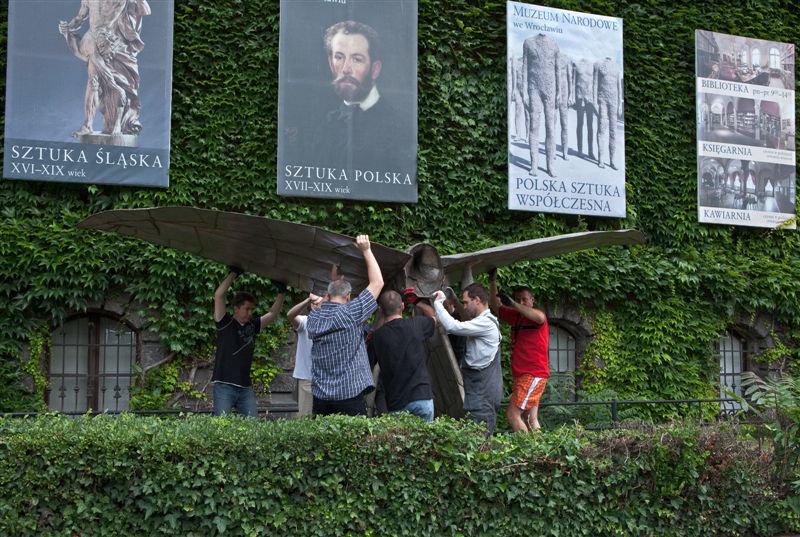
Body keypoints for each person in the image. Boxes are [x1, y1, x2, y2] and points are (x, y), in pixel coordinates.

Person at [312, 20, 414, 173]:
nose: (346, 69)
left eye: (357, 59)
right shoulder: (324, 124)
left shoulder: (398, 129)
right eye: (339, 57)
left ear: (375, 69)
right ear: (330, 64)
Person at [307, 234, 384, 416]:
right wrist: (366, 250)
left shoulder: (314, 318)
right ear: (348, 297)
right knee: (355, 444)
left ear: (328, 294)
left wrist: (333, 283)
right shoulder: (350, 313)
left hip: (321, 398)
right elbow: (377, 282)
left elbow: (326, 301)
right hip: (349, 397)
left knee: (323, 444)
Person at [58, 0, 150, 141]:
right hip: (93, 40)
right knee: (93, 82)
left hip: (114, 42)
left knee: (120, 85)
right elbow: (79, 18)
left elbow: (139, 12)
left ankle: (117, 124)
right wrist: (67, 27)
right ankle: (88, 124)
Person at [212, 267, 286, 417]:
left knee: (253, 427)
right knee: (220, 427)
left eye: (252, 309)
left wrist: (281, 293)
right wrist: (233, 274)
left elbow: (272, 314)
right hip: (224, 386)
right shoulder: (224, 322)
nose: (250, 313)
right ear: (236, 308)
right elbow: (219, 296)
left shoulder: (253, 326)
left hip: (245, 388)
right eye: (247, 309)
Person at [432, 283, 503, 434]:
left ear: (477, 300)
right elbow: (463, 321)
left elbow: (454, 327)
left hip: (483, 398)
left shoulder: (486, 324)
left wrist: (438, 302)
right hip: (479, 395)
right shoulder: (484, 321)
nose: (463, 307)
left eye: (465, 302)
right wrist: (452, 303)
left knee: (480, 445)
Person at [488, 271, 549, 432]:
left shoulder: (537, 316)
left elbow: (540, 318)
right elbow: (496, 307)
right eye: (518, 299)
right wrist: (492, 280)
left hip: (532, 374)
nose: (521, 302)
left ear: (532, 300)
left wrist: (514, 304)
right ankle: (542, 452)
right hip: (524, 374)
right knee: (531, 418)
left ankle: (527, 452)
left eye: (525, 299)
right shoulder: (516, 317)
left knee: (512, 414)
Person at [370, 290, 436, 422]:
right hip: (421, 397)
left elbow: (369, 363)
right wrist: (417, 302)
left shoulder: (377, 337)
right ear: (402, 306)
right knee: (426, 441)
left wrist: (378, 319)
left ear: (381, 311)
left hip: (397, 402)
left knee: (401, 441)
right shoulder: (416, 324)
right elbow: (435, 318)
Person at [287, 292, 324, 417]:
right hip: (307, 378)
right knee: (304, 417)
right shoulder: (304, 321)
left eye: (318, 301)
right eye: (313, 303)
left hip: (326, 379)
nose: (316, 304)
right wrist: (308, 300)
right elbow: (290, 315)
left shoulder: (331, 321)